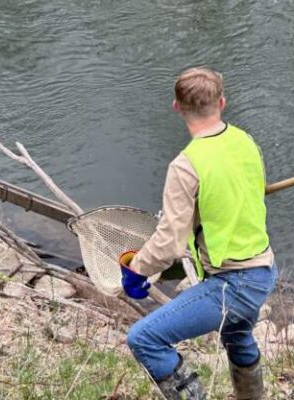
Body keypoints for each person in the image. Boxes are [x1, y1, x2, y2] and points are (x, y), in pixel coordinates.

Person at [119, 67, 277, 400]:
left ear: (176, 107)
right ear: (222, 102)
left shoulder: (186, 165)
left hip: (233, 284)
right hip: (263, 271)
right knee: (236, 336)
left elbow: (169, 241)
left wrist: (137, 269)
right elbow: (254, 189)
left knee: (143, 338)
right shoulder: (246, 141)